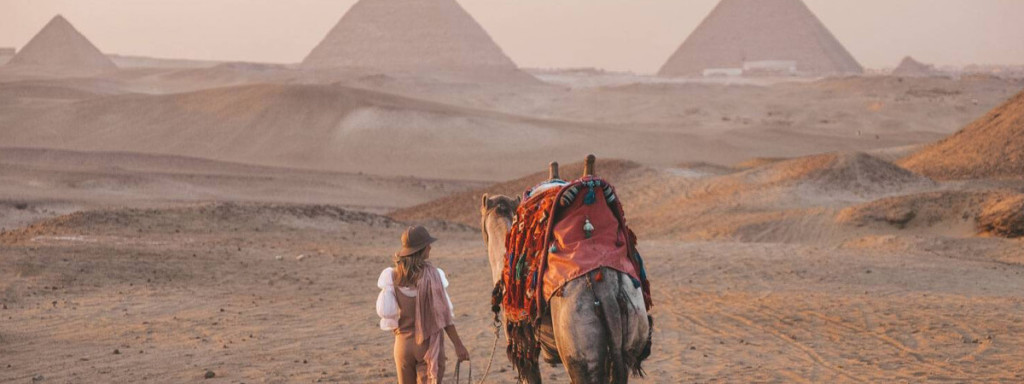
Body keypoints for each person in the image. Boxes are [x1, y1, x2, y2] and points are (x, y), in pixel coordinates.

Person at [376, 225, 470, 384]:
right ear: (420, 249)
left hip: (402, 346)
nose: (430, 247)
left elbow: (389, 314)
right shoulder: (433, 276)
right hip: (427, 346)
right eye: (427, 244)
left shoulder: (392, 276)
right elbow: (444, 316)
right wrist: (459, 346)